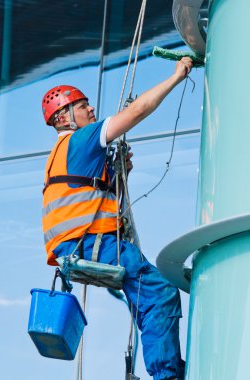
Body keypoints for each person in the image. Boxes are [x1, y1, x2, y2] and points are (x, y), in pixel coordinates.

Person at [41, 57, 193, 380]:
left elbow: (97, 201)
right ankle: (167, 374)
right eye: (83, 106)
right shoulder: (81, 140)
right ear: (64, 117)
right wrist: (176, 76)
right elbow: (137, 112)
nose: (91, 110)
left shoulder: (60, 156)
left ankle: (167, 369)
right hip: (94, 243)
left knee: (148, 295)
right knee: (161, 292)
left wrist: (118, 176)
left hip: (81, 245)